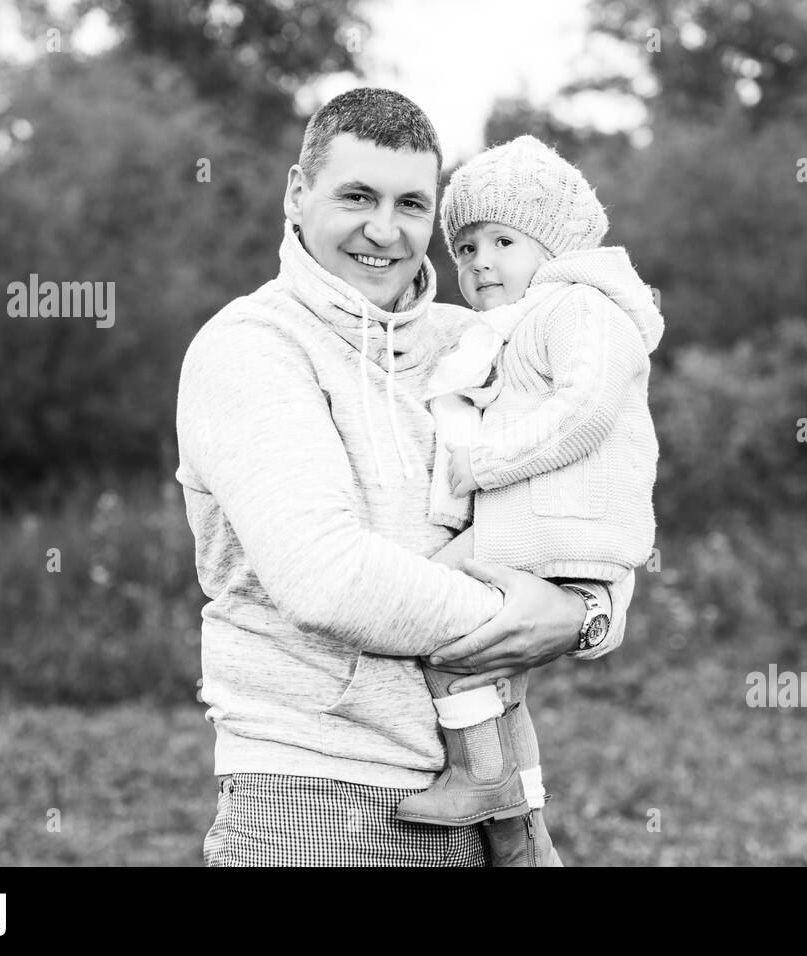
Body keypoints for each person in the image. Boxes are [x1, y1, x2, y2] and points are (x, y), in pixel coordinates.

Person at [174, 87, 635, 866]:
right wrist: (536, 618)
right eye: (357, 196)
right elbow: (327, 578)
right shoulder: (251, 348)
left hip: (485, 795)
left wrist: (590, 611)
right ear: (297, 193)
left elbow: (591, 496)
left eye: (412, 204)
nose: (384, 231)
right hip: (311, 802)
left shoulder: (477, 343)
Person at [394, 135, 662, 867]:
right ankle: (524, 830)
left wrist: (481, 463)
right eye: (467, 246)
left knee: (430, 608)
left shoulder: (580, 307)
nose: (481, 261)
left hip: (556, 527)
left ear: (557, 244)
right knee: (491, 666)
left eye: (503, 240)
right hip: (540, 525)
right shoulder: (508, 329)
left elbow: (586, 410)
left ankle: (485, 782)